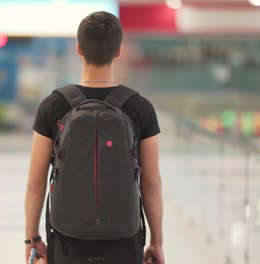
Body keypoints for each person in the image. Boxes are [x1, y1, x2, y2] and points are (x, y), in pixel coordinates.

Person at [25, 11, 164, 264]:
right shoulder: (140, 107)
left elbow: (36, 182)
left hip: (67, 238)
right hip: (124, 238)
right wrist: (157, 241)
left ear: (79, 49)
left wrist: (31, 238)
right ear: (118, 51)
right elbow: (152, 183)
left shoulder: (53, 105)